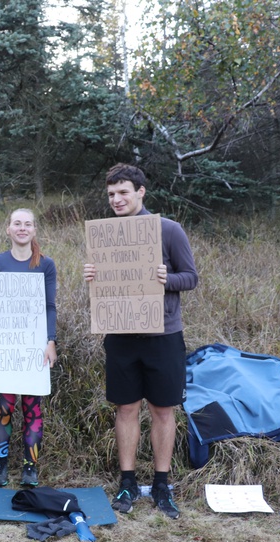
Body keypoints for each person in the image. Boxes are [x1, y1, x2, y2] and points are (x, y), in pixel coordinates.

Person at [83, 163, 198, 519]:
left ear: (140, 192)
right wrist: (92, 277)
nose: (116, 200)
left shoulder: (168, 230)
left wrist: (167, 278)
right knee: (126, 409)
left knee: (163, 410)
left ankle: (162, 483)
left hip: (163, 335)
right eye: (111, 194)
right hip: (120, 336)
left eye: (123, 193)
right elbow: (105, 286)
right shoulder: (105, 235)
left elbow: (191, 277)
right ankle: (128, 481)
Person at [0, 208, 57, 487]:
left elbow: (49, 306)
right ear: (8, 229)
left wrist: (51, 341)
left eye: (28, 224)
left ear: (34, 230)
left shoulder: (45, 264)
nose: (22, 228)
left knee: (33, 409)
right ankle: (0, 467)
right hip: (5, 347)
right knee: (4, 407)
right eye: (17, 224)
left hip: (34, 347)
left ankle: (29, 467)